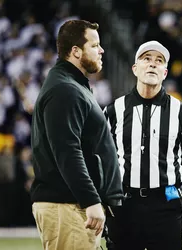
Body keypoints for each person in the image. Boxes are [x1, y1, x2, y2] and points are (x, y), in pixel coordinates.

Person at [30, 20, 123, 250]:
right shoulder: (65, 90)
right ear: (75, 51)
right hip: (68, 205)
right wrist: (90, 200)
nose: (101, 50)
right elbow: (67, 151)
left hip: (72, 204)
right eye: (95, 45)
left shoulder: (73, 85)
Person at [103, 41, 182, 250]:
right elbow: (99, 158)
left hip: (165, 206)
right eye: (146, 59)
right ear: (135, 68)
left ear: (165, 72)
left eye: (159, 61)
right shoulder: (113, 111)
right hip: (124, 203)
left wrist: (170, 189)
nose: (152, 64)